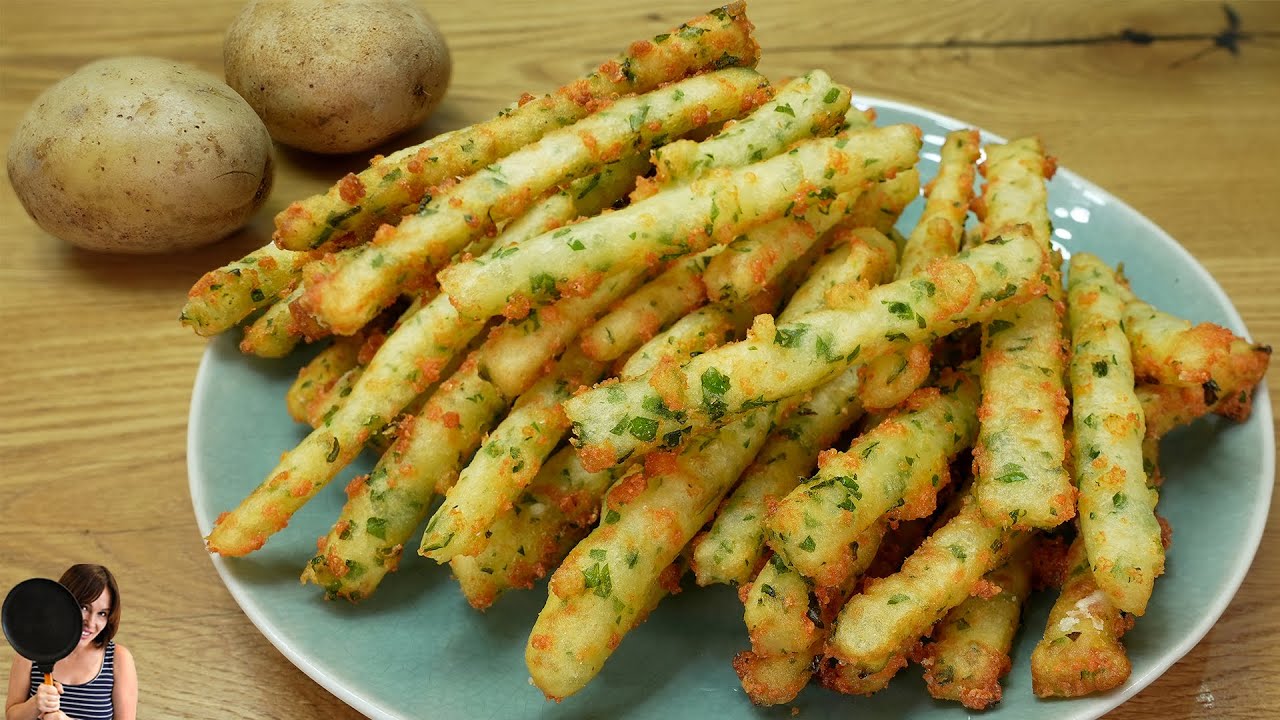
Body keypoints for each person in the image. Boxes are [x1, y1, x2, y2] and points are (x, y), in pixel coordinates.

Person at [5, 565, 137, 720]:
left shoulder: (118, 658)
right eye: (84, 607)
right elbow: (11, 716)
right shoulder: (32, 650)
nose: (91, 623)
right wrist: (35, 705)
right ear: (61, 603)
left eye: (102, 613)